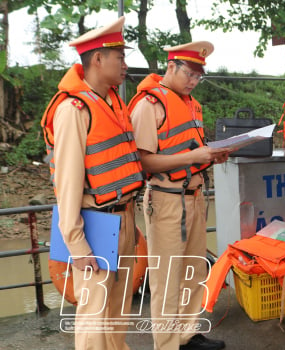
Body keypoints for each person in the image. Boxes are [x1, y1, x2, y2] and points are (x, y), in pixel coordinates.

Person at [41, 16, 145, 349]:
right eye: (120, 57)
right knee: (94, 315)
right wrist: (76, 244)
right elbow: (67, 184)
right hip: (94, 225)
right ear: (98, 59)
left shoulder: (113, 102)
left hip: (124, 216)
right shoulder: (73, 110)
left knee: (117, 313)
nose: (126, 64)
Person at [128, 41, 230, 350]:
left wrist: (210, 156)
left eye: (199, 76)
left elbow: (188, 150)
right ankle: (168, 343)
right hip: (166, 198)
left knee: (194, 270)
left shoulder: (190, 104)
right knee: (166, 277)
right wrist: (194, 157)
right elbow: (143, 161)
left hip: (195, 195)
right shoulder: (149, 105)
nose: (193, 81)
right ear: (171, 67)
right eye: (189, 74)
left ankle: (187, 334)